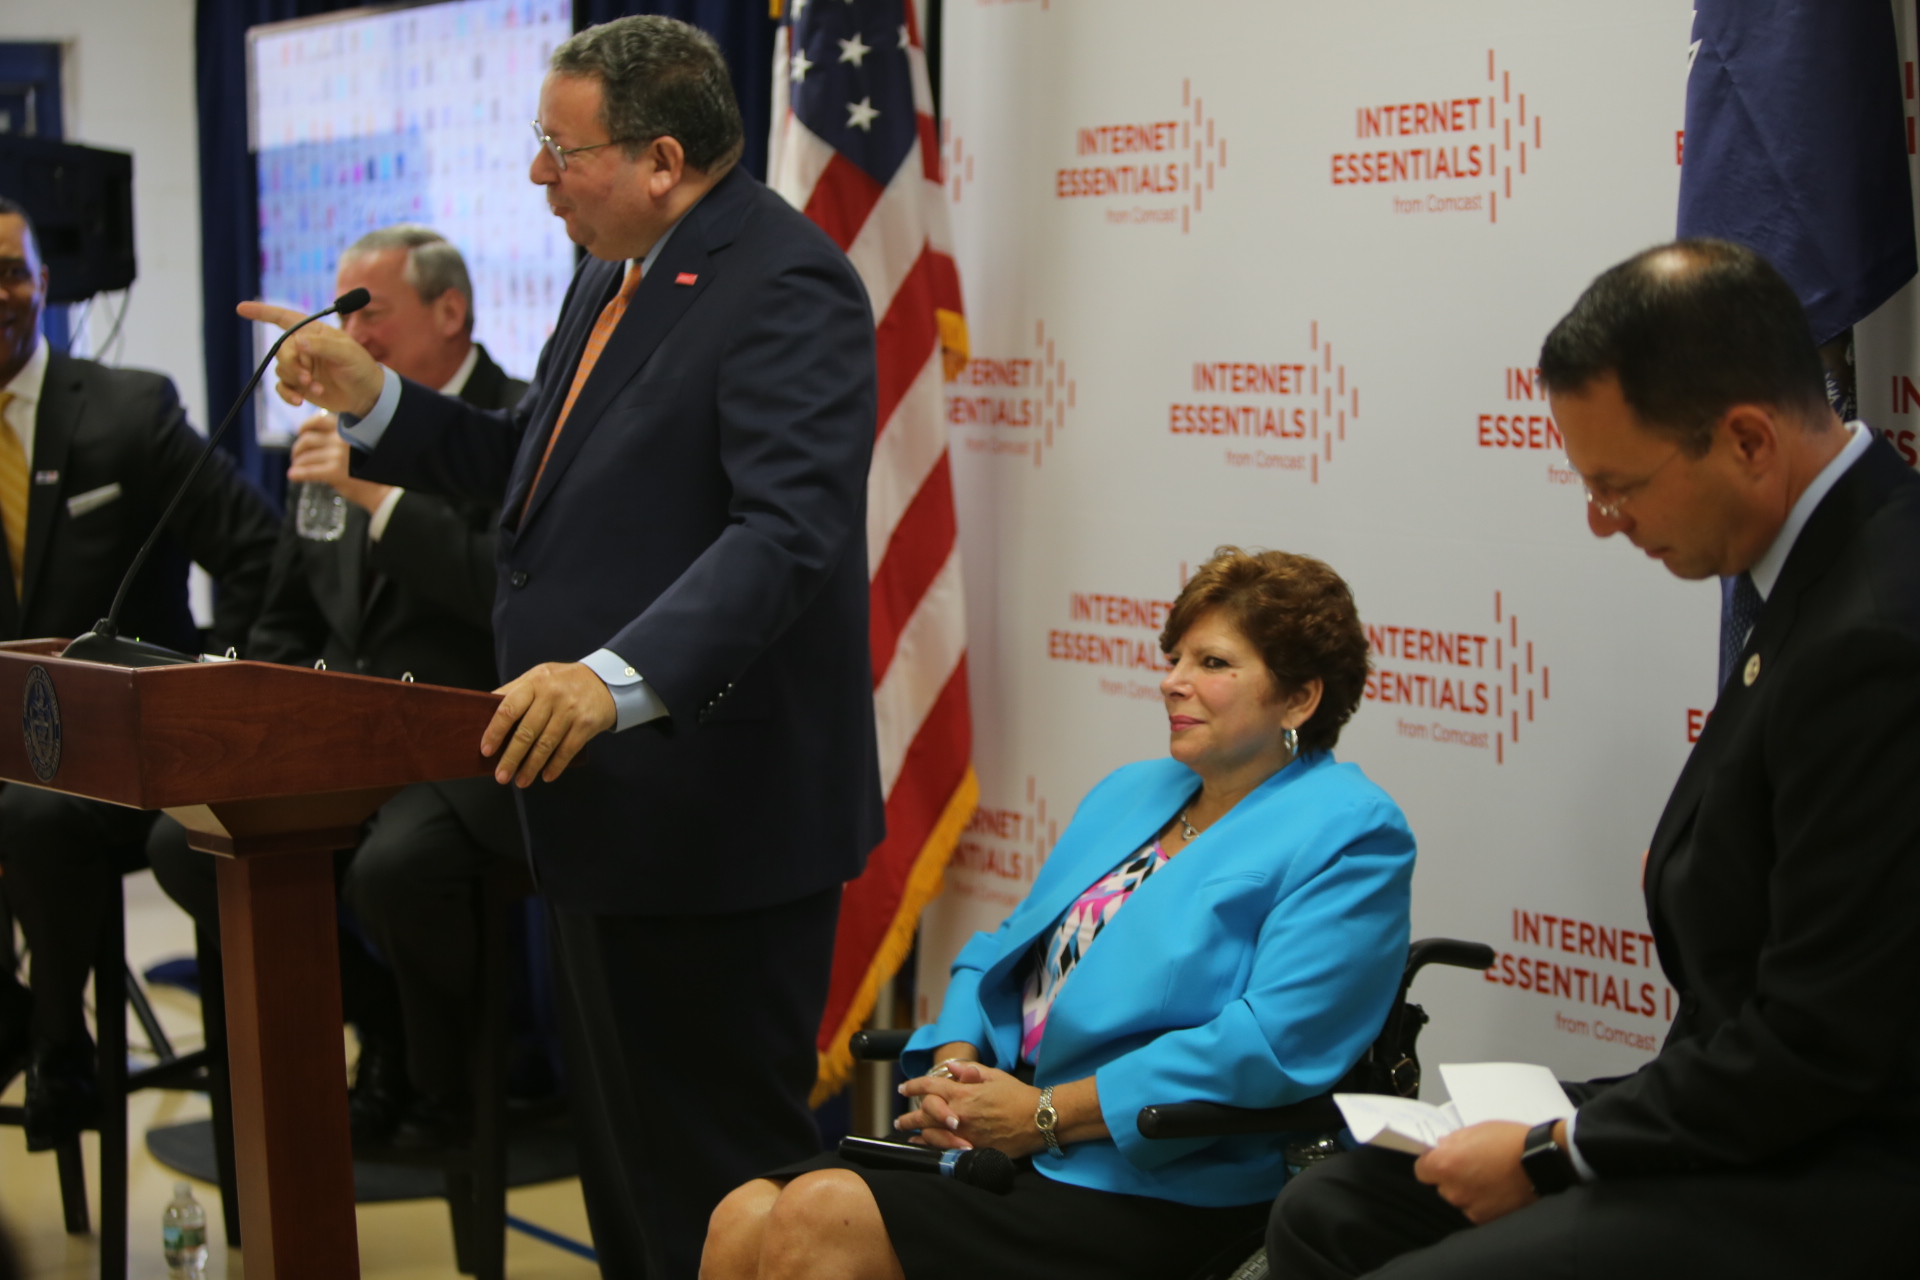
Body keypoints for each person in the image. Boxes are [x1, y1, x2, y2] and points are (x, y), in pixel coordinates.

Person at [239, 17, 882, 1277]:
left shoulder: (786, 283)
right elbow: (529, 469)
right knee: (631, 1177)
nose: (538, 175)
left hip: (715, 815)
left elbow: (786, 535)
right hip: (595, 795)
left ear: (660, 159)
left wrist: (609, 677)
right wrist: (371, 398)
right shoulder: (614, 270)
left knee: (724, 1189)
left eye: (559, 148)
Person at [1267, 240, 1920, 1279]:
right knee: (1336, 1206)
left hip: (1848, 1158)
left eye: (1619, 486)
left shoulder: (1877, 630)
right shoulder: (1813, 572)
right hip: (1755, 1103)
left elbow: (1821, 1047)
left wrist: (1555, 1150)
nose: (1601, 521)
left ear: (1749, 440)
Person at [704, 547, 1417, 1280]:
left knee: (822, 1214)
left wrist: (1041, 1114)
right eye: (1174, 658)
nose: (1172, 681)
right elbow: (1002, 950)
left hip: (1165, 1171)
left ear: (1299, 699)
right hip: (1006, 1126)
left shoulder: (1351, 830)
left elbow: (1268, 1045)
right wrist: (957, 1070)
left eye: (1212, 663)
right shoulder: (1134, 790)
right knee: (743, 1213)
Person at [147, 224, 535, 1147]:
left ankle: (453, 1088)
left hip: (470, 743)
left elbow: (504, 593)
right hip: (343, 737)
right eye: (343, 316)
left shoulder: (519, 423)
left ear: (451, 310)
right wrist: (255, 722)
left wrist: (375, 496)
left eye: (373, 315)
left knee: (394, 870)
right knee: (188, 843)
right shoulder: (327, 435)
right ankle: (382, 1030)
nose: (352, 339)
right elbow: (288, 611)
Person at [0, 197, 278, 1150]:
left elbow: (257, 552)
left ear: (44, 284)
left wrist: (214, 699)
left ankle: (58, 1045)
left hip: (126, 760)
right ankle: (16, 1020)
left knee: (31, 814)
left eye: (10, 272)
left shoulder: (128, 411)